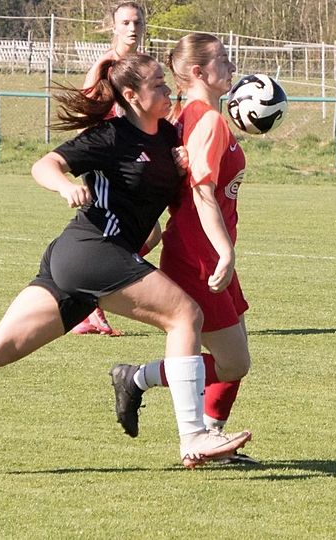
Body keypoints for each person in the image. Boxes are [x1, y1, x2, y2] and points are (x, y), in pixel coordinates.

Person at [0, 53, 251, 473]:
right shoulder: (110, 136)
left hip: (80, 256)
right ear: (131, 96)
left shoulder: (165, 135)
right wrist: (64, 186)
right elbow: (45, 164)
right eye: (158, 85)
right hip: (93, 251)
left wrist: (179, 165)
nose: (167, 90)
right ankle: (193, 435)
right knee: (184, 316)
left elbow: (167, 187)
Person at [109, 33, 258, 464]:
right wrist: (224, 252)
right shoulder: (206, 121)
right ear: (198, 72)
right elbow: (203, 193)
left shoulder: (186, 116)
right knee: (233, 363)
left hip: (203, 250)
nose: (231, 67)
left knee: (236, 356)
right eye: (223, 60)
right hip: (199, 254)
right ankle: (136, 378)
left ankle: (213, 438)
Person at [71, 1, 153, 336]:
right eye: (125, 22)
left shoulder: (143, 65)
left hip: (132, 160)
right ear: (114, 26)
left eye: (137, 22)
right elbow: (83, 116)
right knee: (137, 233)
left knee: (140, 233)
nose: (132, 28)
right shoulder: (106, 66)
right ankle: (89, 300)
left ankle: (88, 302)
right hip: (109, 164)